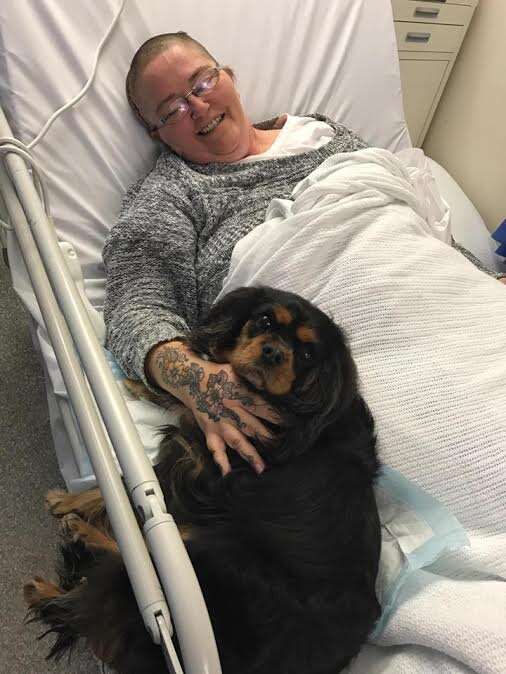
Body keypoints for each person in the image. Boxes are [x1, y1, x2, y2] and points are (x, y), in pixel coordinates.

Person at [103, 31, 504, 477]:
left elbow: (410, 220)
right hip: (333, 359)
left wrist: (478, 278)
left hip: (447, 294)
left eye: (202, 83)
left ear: (229, 78)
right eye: (172, 109)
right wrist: (196, 382)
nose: (197, 106)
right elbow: (136, 306)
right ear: (156, 134)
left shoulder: (323, 133)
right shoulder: (171, 194)